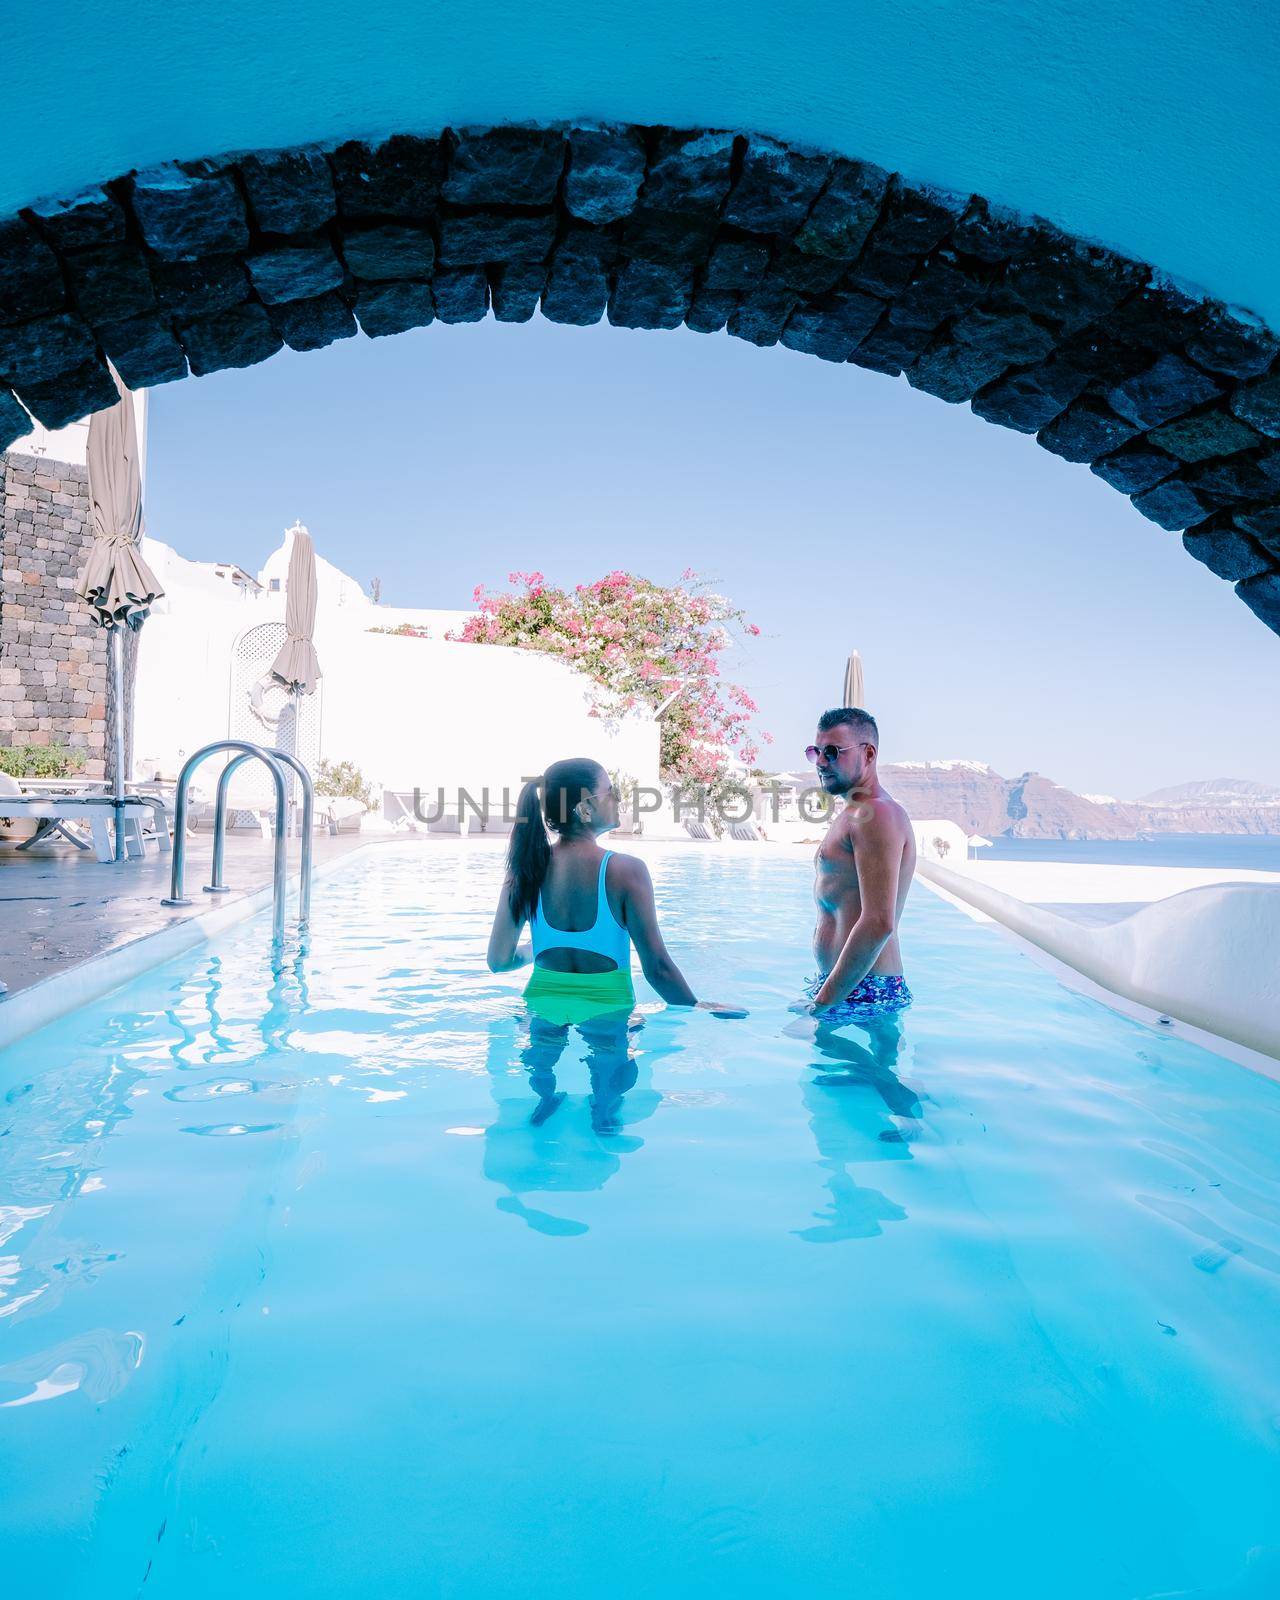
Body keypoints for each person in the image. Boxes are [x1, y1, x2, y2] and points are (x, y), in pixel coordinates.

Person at [487, 757, 744, 1024]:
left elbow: (499, 961)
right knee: (615, 1061)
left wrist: (538, 946)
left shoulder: (526, 869)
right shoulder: (626, 872)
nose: (619, 800)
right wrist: (697, 1005)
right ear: (585, 809)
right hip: (608, 1007)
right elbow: (657, 969)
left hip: (541, 1005)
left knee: (538, 1067)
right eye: (612, 792)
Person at [799, 707, 916, 1021]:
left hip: (865, 990)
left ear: (868, 754)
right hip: (847, 985)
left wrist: (821, 1006)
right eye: (816, 752)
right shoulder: (855, 812)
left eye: (833, 752)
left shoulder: (877, 814)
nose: (821, 762)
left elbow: (879, 922)